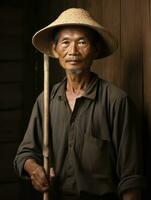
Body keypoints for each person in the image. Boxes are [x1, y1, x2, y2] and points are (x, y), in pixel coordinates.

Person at [14, 8, 144, 200]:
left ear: (95, 49)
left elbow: (131, 178)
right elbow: (24, 154)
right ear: (55, 50)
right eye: (65, 42)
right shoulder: (46, 100)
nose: (73, 51)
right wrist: (34, 169)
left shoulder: (116, 101)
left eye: (82, 42)